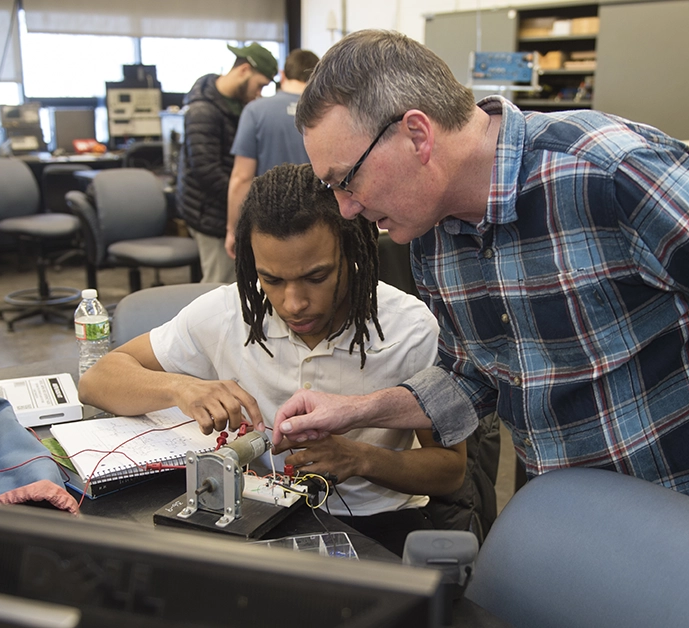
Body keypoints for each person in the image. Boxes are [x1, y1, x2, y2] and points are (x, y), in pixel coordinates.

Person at [273, 30, 689, 530]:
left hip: (679, 504)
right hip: (558, 503)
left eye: (345, 179)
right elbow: (473, 375)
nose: (345, 208)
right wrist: (352, 411)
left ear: (418, 135)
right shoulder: (431, 226)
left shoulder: (609, 173)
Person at [79, 163, 466, 554]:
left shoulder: (412, 329)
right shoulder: (228, 313)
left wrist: (363, 459)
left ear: (351, 252)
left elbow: (450, 471)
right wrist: (182, 387)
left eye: (316, 278)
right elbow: (97, 380)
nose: (293, 304)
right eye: (273, 280)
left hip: (375, 522)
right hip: (254, 511)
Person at [178, 42, 277, 284]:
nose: (259, 93)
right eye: (260, 85)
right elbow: (207, 171)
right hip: (209, 213)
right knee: (218, 287)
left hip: (228, 208)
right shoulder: (202, 110)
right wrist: (248, 196)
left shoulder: (237, 105)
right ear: (244, 70)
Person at [225, 49, 321, 260]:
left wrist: (233, 230)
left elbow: (242, 178)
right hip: (320, 223)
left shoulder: (255, 111)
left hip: (268, 224)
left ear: (283, 75)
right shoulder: (326, 111)